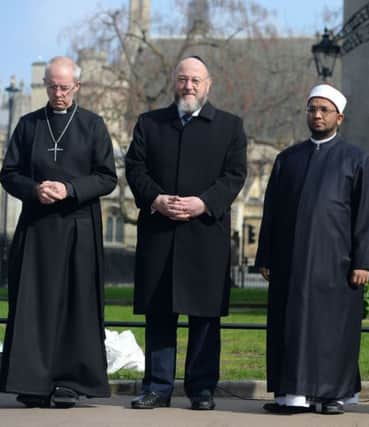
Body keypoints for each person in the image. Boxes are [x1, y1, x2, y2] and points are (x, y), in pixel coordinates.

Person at [126, 56, 247, 410]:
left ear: (208, 84)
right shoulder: (150, 124)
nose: (188, 86)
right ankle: (157, 387)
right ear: (173, 83)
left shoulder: (230, 127)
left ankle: (202, 388)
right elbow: (135, 168)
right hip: (160, 233)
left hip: (205, 234)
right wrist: (156, 199)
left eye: (195, 80)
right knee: (160, 314)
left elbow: (235, 175)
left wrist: (204, 203)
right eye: (182, 79)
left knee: (205, 316)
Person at [255, 84, 369, 415]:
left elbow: (365, 214)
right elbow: (272, 211)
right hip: (290, 263)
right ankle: (289, 395)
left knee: (332, 331)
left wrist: (363, 260)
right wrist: (265, 255)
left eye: (324, 110)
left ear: (339, 116)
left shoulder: (357, 159)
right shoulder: (287, 159)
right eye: (312, 109)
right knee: (289, 325)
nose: (317, 115)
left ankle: (331, 396)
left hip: (336, 264)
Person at [0, 56, 116, 408]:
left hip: (79, 227)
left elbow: (107, 177)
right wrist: (35, 190)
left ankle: (69, 382)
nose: (58, 93)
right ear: (46, 85)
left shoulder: (93, 126)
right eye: (52, 86)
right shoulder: (28, 125)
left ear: (77, 86)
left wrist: (70, 190)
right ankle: (31, 381)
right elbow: (9, 173)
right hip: (37, 228)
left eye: (65, 87)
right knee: (34, 304)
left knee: (75, 305)